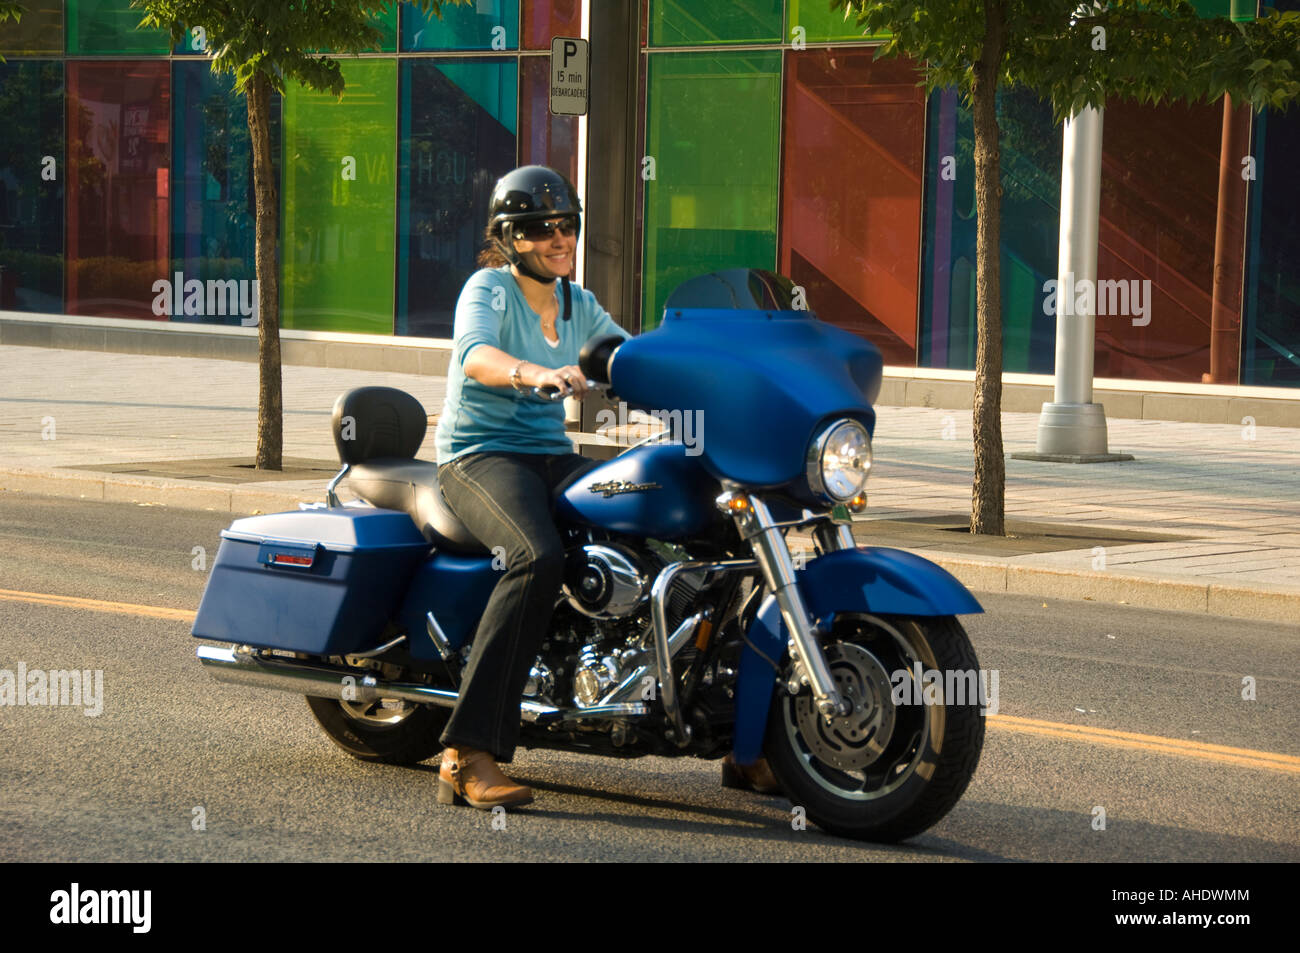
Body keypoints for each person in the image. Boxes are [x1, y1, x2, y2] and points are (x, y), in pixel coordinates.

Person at [432, 165, 631, 810]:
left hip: (550, 456)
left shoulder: (580, 304)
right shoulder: (489, 289)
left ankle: (746, 747)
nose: (561, 237)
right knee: (534, 556)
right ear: (514, 238)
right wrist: (530, 373)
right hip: (479, 457)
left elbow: (630, 357)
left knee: (666, 527)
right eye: (545, 228)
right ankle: (466, 751)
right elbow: (475, 355)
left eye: (567, 225)